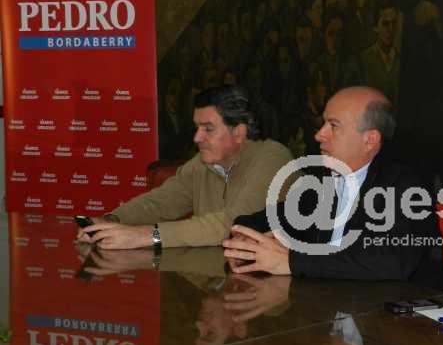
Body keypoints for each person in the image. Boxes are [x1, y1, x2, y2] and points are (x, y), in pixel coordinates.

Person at [223, 86, 443, 291]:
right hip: (332, 304)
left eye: (333, 126)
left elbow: (391, 260)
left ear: (369, 140)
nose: (318, 135)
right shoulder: (323, 181)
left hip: (405, 314)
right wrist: (245, 240)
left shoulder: (407, 184)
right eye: (323, 124)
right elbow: (270, 218)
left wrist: (292, 261)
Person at [78, 86, 294, 249]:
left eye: (208, 129)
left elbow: (234, 225)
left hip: (271, 286)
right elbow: (160, 202)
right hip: (216, 276)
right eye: (197, 128)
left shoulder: (273, 159)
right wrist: (111, 221)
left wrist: (148, 236)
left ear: (238, 132)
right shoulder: (203, 162)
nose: (197, 138)